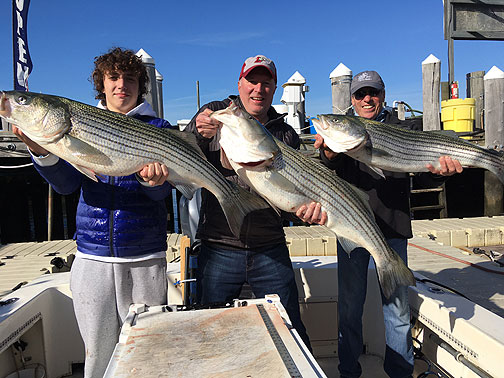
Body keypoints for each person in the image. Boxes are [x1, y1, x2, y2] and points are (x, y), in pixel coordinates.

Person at [13, 47, 173, 378]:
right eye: (113, 78)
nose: (121, 85)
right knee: (97, 354)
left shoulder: (158, 126)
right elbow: (66, 186)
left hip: (145, 257)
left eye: (130, 79)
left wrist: (154, 183)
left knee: (149, 349)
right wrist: (39, 151)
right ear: (101, 83)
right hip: (92, 258)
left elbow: (161, 195)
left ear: (140, 85)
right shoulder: (79, 120)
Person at [313, 70, 463, 378]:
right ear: (352, 100)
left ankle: (400, 373)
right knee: (349, 309)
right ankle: (348, 371)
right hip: (352, 227)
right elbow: (329, 164)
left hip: (393, 227)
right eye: (359, 94)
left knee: (396, 312)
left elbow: (423, 170)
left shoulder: (402, 128)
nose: (367, 98)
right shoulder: (345, 129)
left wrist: (440, 171)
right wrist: (328, 150)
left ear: (383, 94)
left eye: (373, 92)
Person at [184, 55, 315, 349]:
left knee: (291, 330)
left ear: (275, 88)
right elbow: (188, 145)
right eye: (252, 82)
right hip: (219, 247)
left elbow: (290, 195)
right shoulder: (218, 113)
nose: (259, 89)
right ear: (240, 84)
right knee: (211, 331)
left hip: (270, 246)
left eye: (266, 83)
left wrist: (306, 210)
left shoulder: (286, 134)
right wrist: (198, 131)